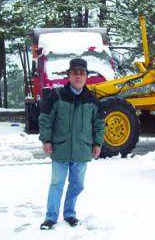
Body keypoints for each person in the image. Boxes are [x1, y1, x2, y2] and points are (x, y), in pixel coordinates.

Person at [39, 58, 105, 230]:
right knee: (56, 184)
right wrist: (46, 140)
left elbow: (99, 124)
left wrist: (97, 143)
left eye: (82, 73)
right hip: (60, 148)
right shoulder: (57, 96)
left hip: (82, 150)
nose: (78, 76)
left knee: (77, 184)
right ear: (69, 75)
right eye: (75, 73)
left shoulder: (92, 100)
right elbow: (45, 119)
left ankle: (69, 214)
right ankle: (51, 217)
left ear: (86, 77)